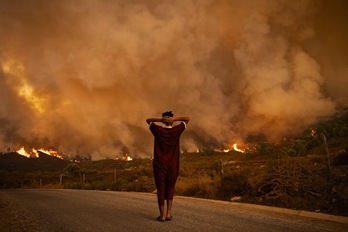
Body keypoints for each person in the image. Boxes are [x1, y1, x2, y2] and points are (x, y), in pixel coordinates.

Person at [146, 111, 190, 222]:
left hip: (160, 164)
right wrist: (175, 119)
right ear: (171, 119)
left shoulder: (158, 130)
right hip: (173, 164)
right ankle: (169, 214)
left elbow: (148, 120)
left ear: (164, 120)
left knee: (160, 189)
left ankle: (162, 216)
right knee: (170, 188)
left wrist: (160, 120)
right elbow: (187, 119)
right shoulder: (177, 130)